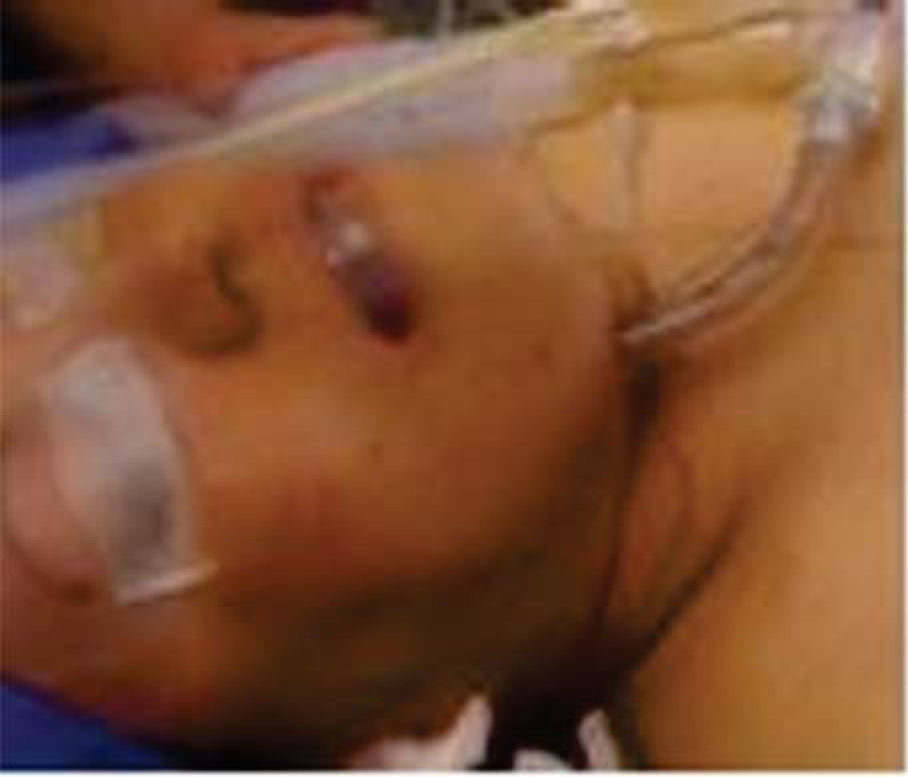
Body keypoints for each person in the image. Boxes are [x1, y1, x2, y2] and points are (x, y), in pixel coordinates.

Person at [1, 0, 901, 767]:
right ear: (391, 748)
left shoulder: (585, 85)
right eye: (131, 478)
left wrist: (161, 33)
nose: (182, 267)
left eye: (66, 247)